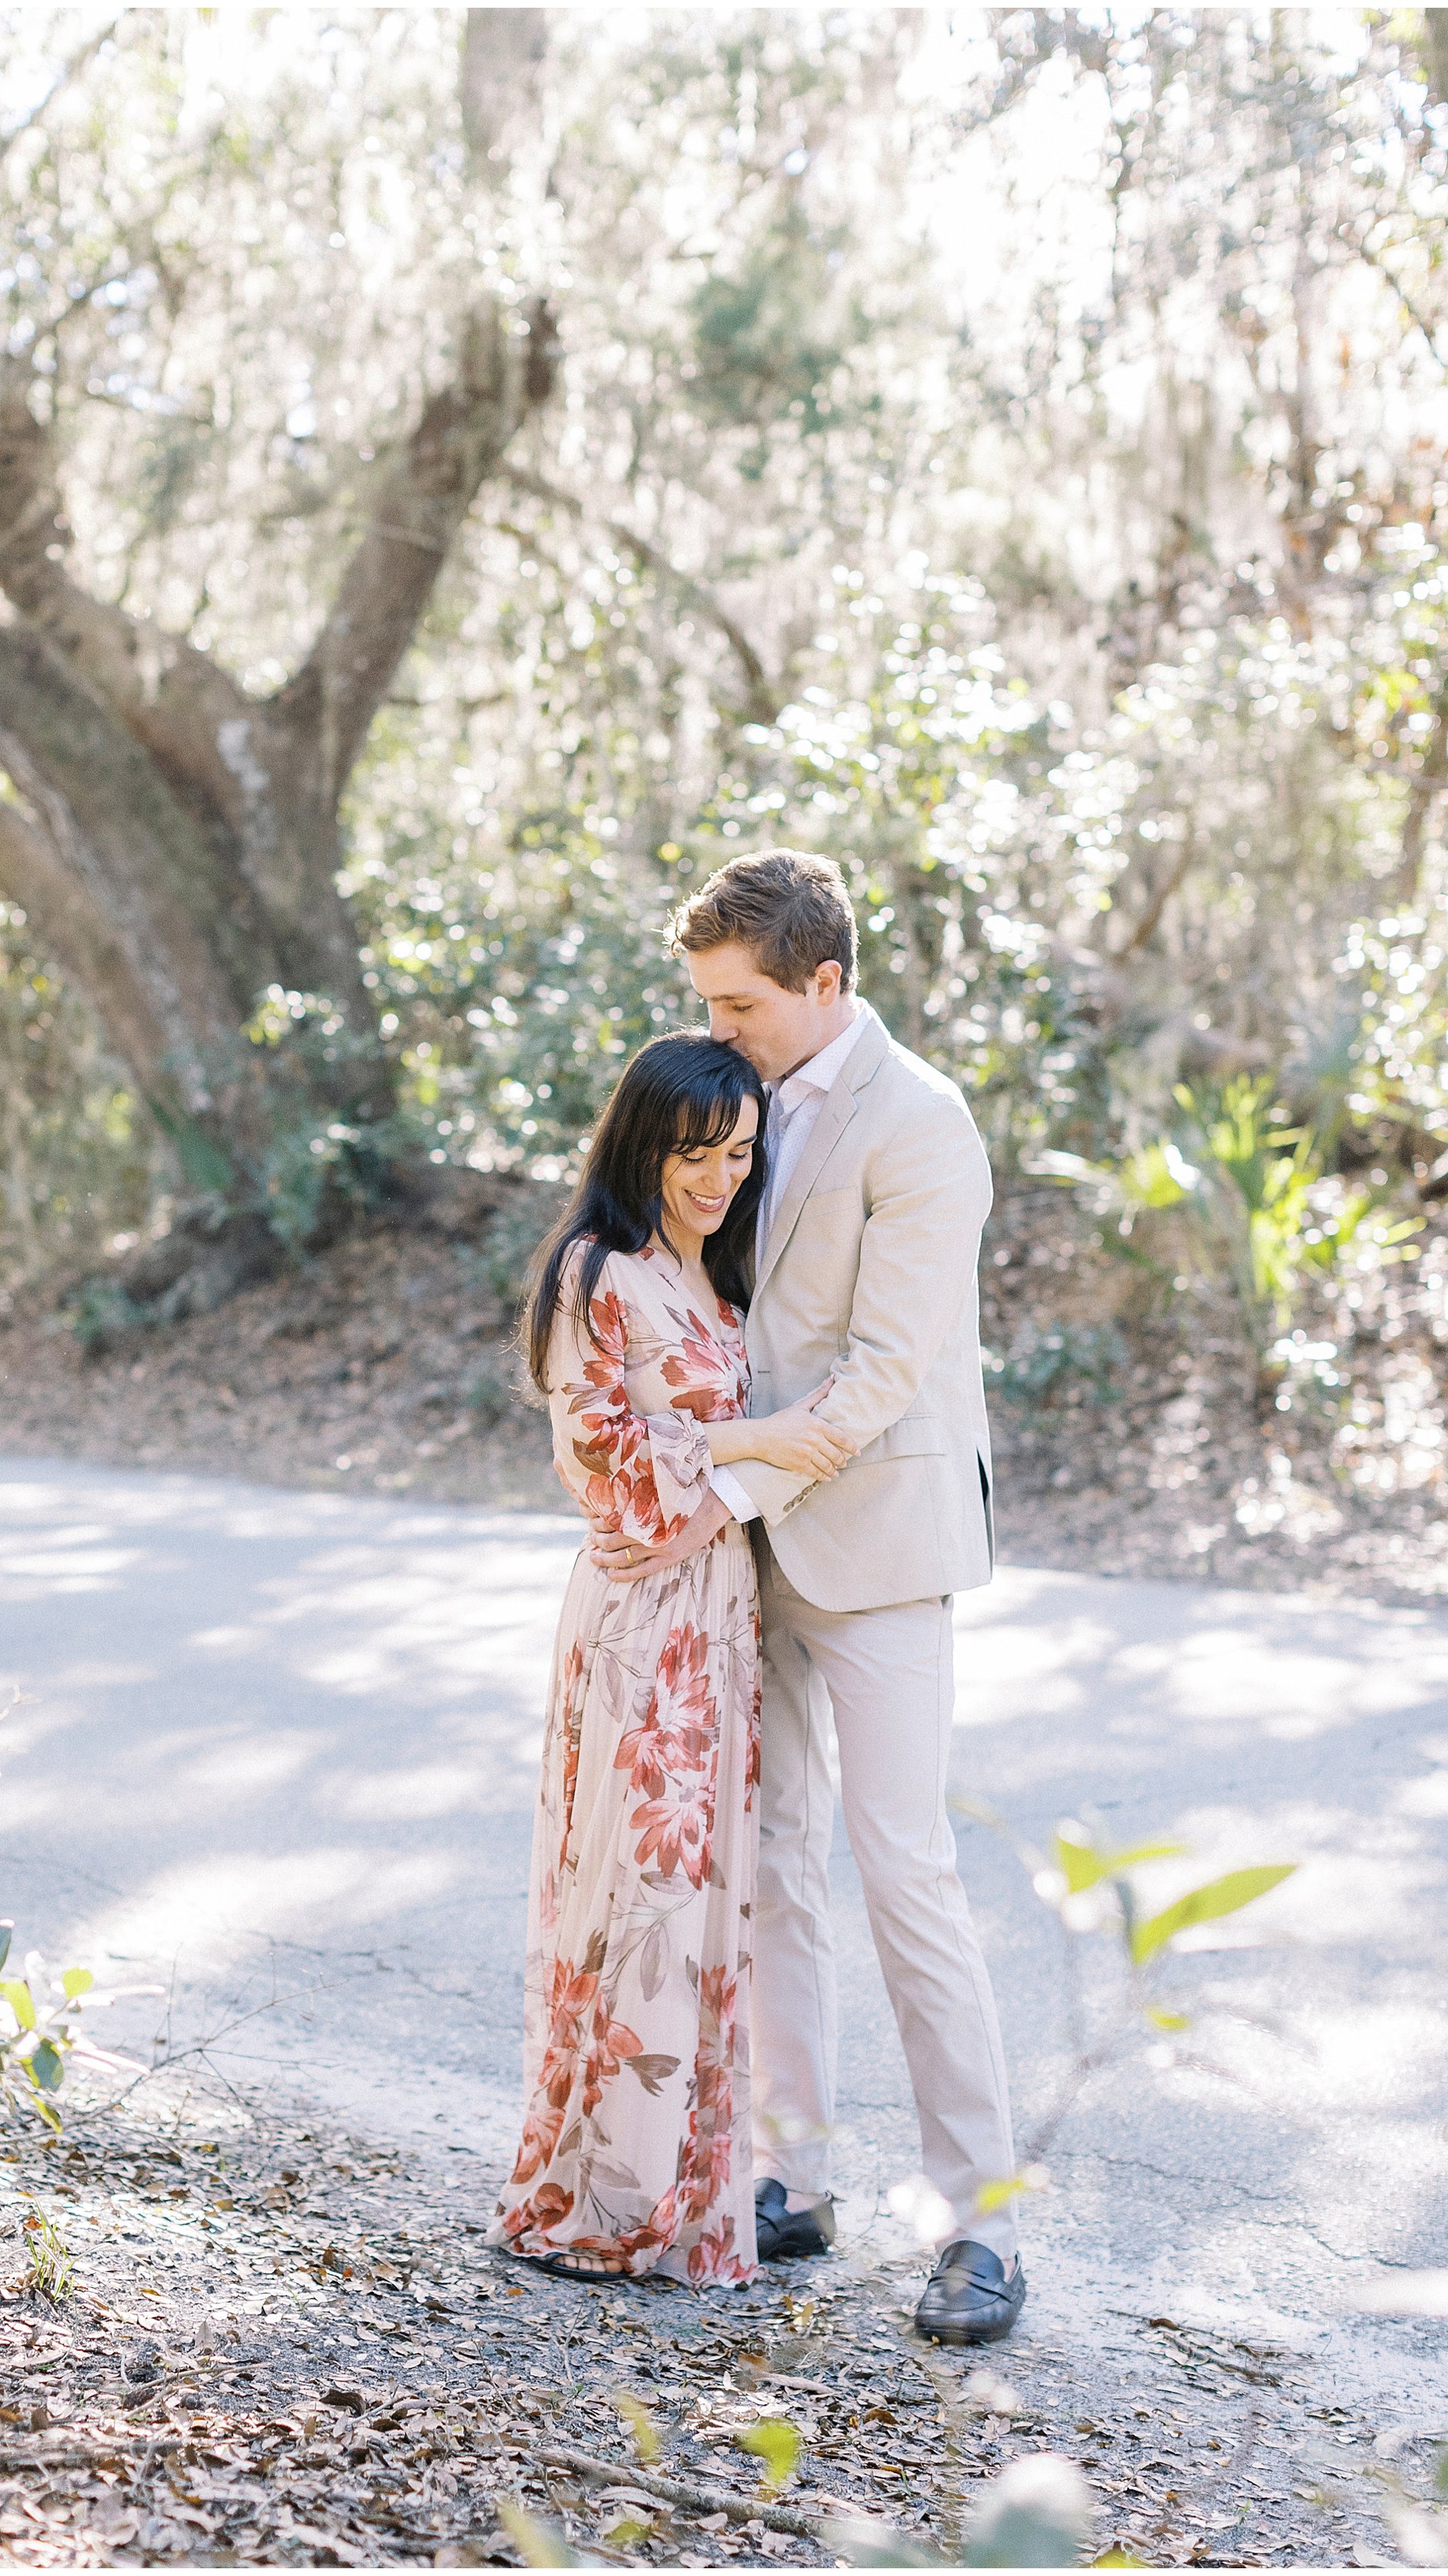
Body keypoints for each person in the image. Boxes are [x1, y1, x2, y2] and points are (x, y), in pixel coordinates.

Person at [587, 850, 1026, 2347]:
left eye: (740, 1001)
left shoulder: (924, 1123)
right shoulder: (739, 1104)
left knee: (904, 1868)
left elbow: (890, 1367)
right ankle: (794, 2173)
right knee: (769, 1860)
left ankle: (979, 2220)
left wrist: (717, 1481)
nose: (718, 1024)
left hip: (879, 1538)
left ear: (825, 985)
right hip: (743, 1553)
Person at [487, 1032, 858, 2287]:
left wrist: (752, 1459)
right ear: (644, 1144)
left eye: (741, 1151)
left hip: (720, 1624)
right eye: (696, 1151)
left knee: (702, 1900)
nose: (719, 1175)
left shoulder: (716, 1280)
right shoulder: (599, 1274)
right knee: (636, 1895)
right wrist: (767, 1446)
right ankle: (601, 2195)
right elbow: (611, 1483)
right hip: (643, 1626)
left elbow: (717, 1466)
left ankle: (687, 2192)